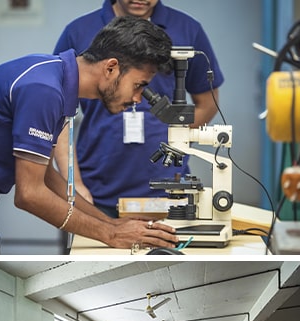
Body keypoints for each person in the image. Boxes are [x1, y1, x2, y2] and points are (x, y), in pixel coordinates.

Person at [0, 16, 179, 254]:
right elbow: (29, 195)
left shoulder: (55, 78)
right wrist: (110, 234)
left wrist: (111, 223)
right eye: (139, 86)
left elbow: (44, 174)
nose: (137, 99)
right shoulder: (44, 90)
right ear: (111, 67)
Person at [53, 0, 225, 218]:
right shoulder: (78, 31)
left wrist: (176, 139)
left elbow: (207, 103)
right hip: (96, 188)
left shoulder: (187, 30)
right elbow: (56, 114)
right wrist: (74, 182)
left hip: (166, 189)